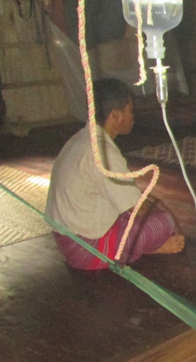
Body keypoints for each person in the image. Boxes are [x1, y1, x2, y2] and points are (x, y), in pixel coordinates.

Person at [45, 78, 184, 270]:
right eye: (130, 111)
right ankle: (143, 249)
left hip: (67, 243)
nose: (133, 117)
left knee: (136, 212)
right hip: (88, 251)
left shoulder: (80, 138)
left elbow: (130, 198)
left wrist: (158, 203)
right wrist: (168, 215)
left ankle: (139, 248)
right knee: (163, 222)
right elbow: (138, 208)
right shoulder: (104, 153)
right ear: (116, 115)